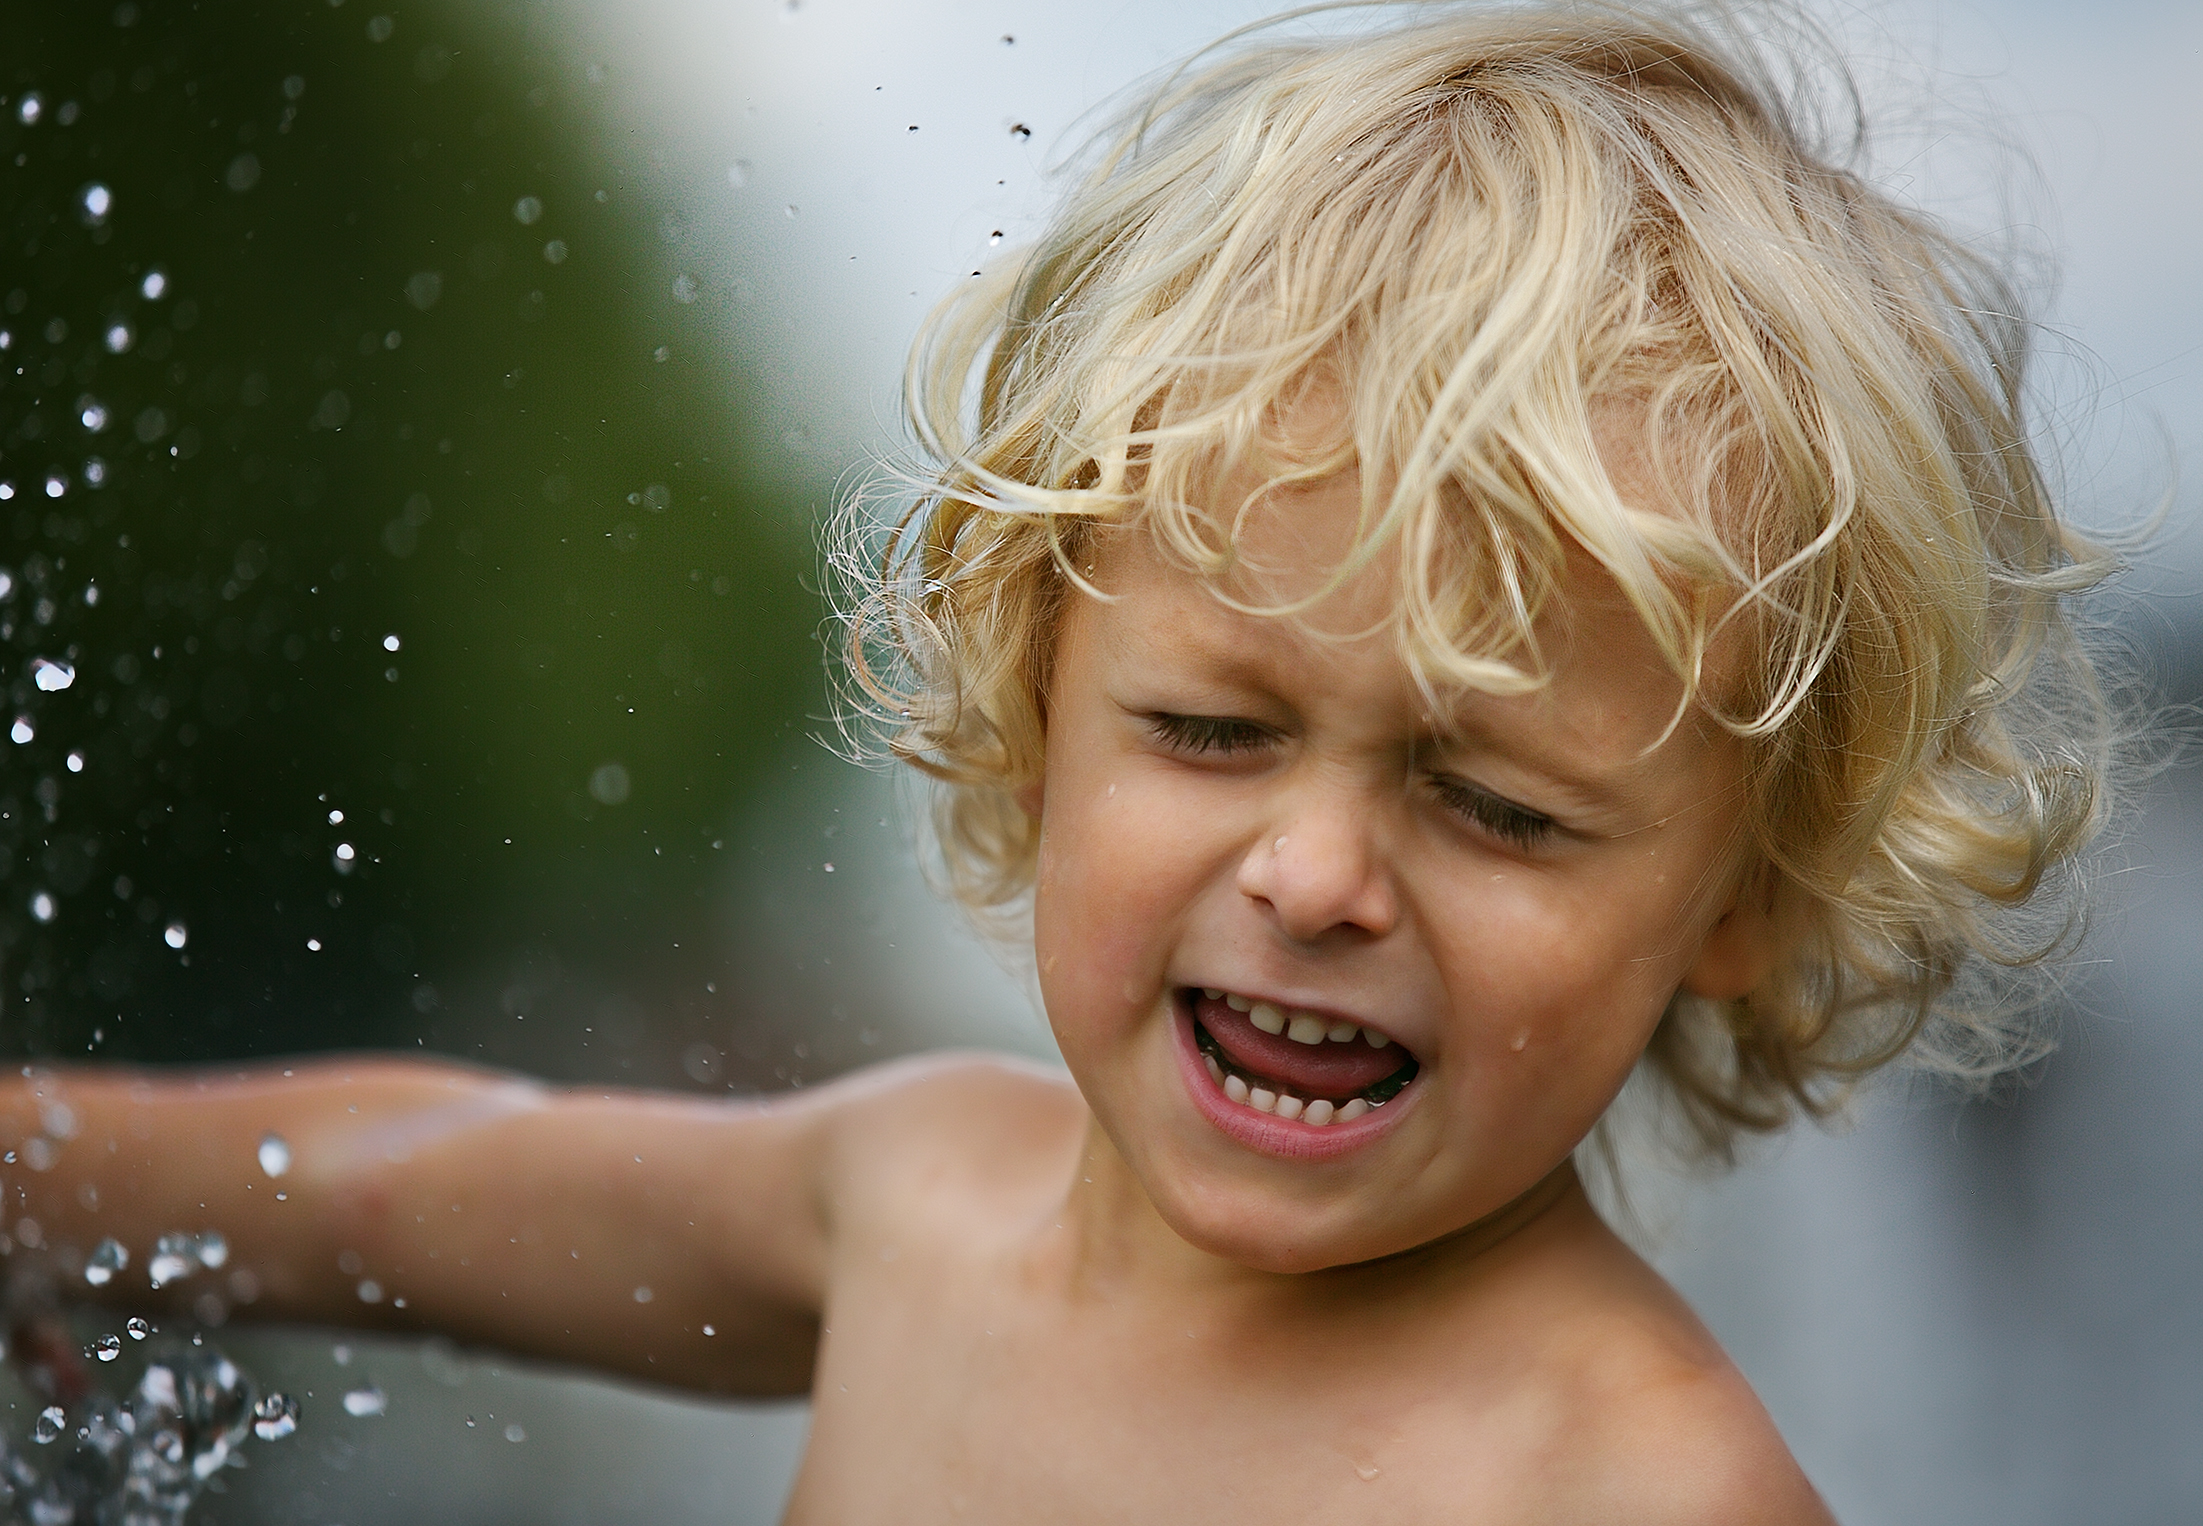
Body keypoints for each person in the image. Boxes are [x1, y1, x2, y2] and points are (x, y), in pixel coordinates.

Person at [0, 3, 2115, 1518]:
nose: (1313, 875)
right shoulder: (911, 1201)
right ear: (1037, 690)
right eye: (1209, 728)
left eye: (1494, 804)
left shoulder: (1617, 1480)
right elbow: (388, 1189)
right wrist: (46, 1173)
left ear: (1748, 890)